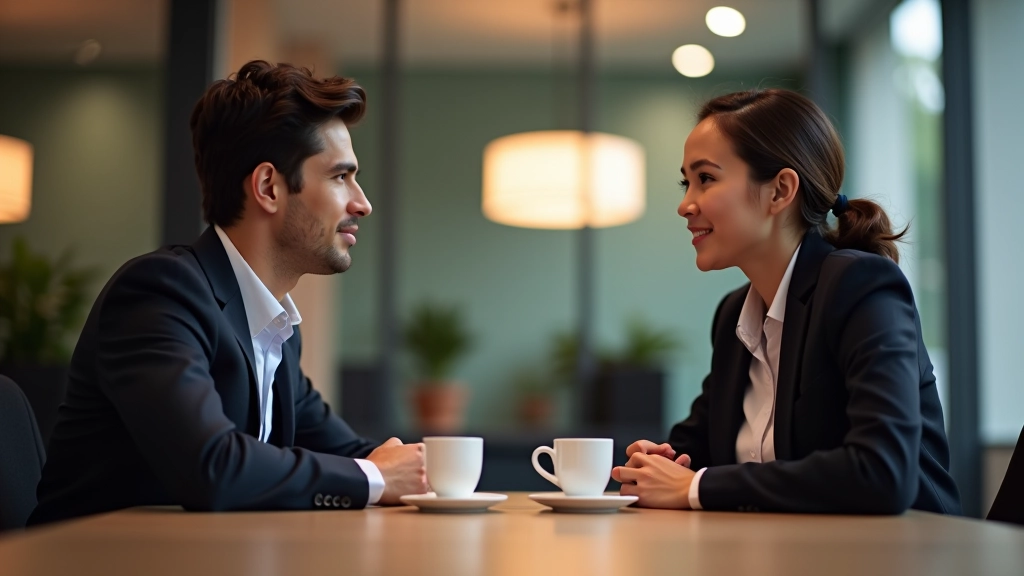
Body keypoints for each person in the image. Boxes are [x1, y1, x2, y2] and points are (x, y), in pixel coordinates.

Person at [29, 61, 427, 525]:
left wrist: (422, 469)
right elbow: (211, 466)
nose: (363, 202)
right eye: (341, 177)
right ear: (267, 188)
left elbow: (353, 453)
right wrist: (375, 479)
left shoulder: (275, 328)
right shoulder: (160, 294)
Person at [612, 88, 961, 515]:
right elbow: (694, 453)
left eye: (706, 178)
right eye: (687, 182)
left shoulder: (860, 286)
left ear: (780, 190)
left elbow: (881, 472)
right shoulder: (733, 317)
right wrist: (658, 464)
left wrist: (697, 486)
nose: (685, 205)